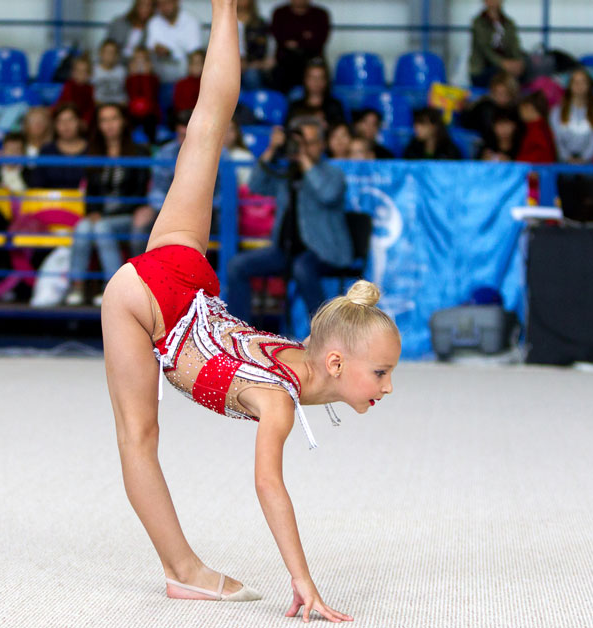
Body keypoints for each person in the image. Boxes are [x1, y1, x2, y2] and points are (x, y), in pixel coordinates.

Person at [102, 3, 392, 621]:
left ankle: (223, 7)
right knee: (138, 437)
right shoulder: (281, 401)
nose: (388, 387)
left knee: (209, 126)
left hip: (183, 273)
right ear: (336, 362)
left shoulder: (303, 356)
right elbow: (268, 486)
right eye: (381, 373)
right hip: (149, 302)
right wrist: (303, 581)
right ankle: (183, 571)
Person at [226, 115, 351, 324]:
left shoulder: (333, 173)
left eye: (307, 143)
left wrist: (305, 161)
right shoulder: (287, 174)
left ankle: (323, 330)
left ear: (321, 144)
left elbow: (327, 194)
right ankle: (239, 332)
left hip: (324, 251)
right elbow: (256, 185)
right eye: (297, 142)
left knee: (302, 267)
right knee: (237, 265)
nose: (300, 147)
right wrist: (271, 150)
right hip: (284, 252)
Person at [65, 104, 154, 307]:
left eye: (113, 119)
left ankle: (111, 288)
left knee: (102, 227)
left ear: (123, 121)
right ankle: (76, 287)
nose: (109, 125)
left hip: (128, 215)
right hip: (101, 216)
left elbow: (139, 193)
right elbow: (91, 193)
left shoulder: (139, 152)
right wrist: (93, 212)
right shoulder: (94, 153)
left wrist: (102, 216)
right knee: (82, 227)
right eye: (104, 120)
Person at [270, 0, 331, 91]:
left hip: (312, 60)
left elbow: (319, 41)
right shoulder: (280, 13)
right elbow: (279, 38)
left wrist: (294, 41)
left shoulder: (320, 14)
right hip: (285, 62)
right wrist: (305, 38)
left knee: (317, 73)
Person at [549, 68, 593, 164]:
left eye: (583, 82)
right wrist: (566, 158)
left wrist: (584, 159)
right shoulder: (556, 111)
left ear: (589, 86)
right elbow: (556, 139)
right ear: (569, 85)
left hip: (588, 163)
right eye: (575, 82)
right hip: (562, 162)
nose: (579, 85)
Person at [28, 103, 88, 189]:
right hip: (50, 201)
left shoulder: (92, 150)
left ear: (79, 122)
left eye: (70, 120)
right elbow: (36, 184)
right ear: (55, 125)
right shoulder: (46, 150)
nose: (66, 125)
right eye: (60, 121)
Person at [469, 0, 525, 89]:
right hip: (483, 69)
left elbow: (515, 46)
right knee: (500, 74)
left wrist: (518, 62)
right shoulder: (478, 23)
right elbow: (485, 50)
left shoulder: (508, 23)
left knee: (525, 68)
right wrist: (503, 63)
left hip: (506, 66)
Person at [146, 0, 204, 83]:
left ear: (177, 2)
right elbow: (149, 49)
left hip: (186, 73)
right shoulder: (153, 22)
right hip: (159, 73)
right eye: (161, 4)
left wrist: (171, 53)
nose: (165, 7)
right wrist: (158, 50)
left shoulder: (191, 21)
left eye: (167, 2)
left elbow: (195, 53)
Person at [286, 58, 346, 128]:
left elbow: (341, 131)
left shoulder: (334, 106)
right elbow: (289, 130)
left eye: (320, 78)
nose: (316, 82)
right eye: (312, 78)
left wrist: (326, 125)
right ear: (305, 80)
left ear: (326, 81)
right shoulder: (295, 107)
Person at [460, 71, 518, 140]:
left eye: (505, 94)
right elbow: (487, 133)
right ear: (492, 92)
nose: (501, 98)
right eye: (498, 93)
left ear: (512, 94)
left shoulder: (515, 110)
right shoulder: (486, 107)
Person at [126, 48, 162, 143]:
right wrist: (134, 76)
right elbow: (132, 95)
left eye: (143, 61)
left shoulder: (153, 79)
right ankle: (128, 144)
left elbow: (150, 96)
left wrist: (146, 76)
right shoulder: (130, 79)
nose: (140, 65)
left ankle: (152, 145)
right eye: (137, 61)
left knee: (150, 121)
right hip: (133, 112)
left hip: (150, 112)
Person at [237, 0, 273, 90]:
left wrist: (251, 64)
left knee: (251, 75)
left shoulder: (260, 23)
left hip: (254, 66)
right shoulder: (224, 23)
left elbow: (266, 51)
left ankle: (252, 102)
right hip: (229, 65)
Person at [515, 91, 556, 164]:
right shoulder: (541, 128)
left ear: (529, 108)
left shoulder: (537, 131)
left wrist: (515, 162)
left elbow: (541, 157)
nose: (520, 113)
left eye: (521, 109)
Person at [55, 55, 96, 126]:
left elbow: (90, 108)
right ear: (73, 73)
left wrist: (86, 120)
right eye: (78, 71)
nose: (80, 74)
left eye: (84, 72)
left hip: (82, 120)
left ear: (90, 75)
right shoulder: (68, 85)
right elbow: (66, 104)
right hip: (66, 114)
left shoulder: (90, 88)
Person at [93, 39, 128, 106]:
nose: (110, 55)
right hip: (99, 106)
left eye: (113, 52)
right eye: (107, 52)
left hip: (119, 106)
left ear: (117, 55)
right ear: (100, 53)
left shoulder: (123, 71)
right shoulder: (93, 70)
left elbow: (127, 92)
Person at [171, 49, 205, 117]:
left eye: (199, 63)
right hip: (185, 116)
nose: (196, 66)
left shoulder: (207, 84)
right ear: (189, 65)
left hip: (202, 115)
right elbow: (178, 104)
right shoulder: (181, 83)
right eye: (193, 63)